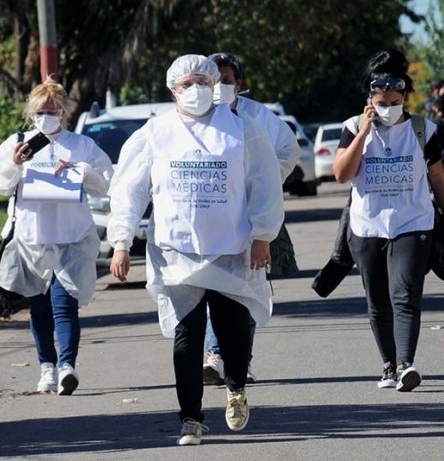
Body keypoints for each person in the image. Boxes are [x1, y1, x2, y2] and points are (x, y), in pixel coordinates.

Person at [107, 54, 283, 445]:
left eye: (202, 82)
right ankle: (191, 418)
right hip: (177, 254)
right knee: (187, 337)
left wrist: (263, 236)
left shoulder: (241, 129)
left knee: (233, 333)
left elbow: (265, 183)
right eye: (186, 84)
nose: (195, 90)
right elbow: (129, 188)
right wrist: (120, 241)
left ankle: (235, 388)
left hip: (231, 252)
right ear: (172, 90)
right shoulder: (156, 133)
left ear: (215, 86)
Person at [333, 49, 444, 392]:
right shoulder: (352, 128)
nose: (389, 108)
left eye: (395, 101)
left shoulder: (424, 130)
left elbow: (438, 180)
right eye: (382, 102)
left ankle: (406, 363)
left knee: (405, 294)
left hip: (413, 224)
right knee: (377, 301)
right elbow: (341, 174)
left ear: (405, 97)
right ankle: (388, 366)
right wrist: (364, 133)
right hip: (367, 228)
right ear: (370, 99)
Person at [0, 77, 113, 396]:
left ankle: (66, 365)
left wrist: (80, 169)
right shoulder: (19, 143)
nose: (48, 115)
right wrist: (15, 164)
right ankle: (47, 366)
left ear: (64, 111)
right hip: (32, 241)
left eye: (54, 109)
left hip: (71, 240)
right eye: (42, 110)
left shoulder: (81, 145)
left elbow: (105, 183)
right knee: (39, 308)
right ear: (32, 113)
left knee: (65, 305)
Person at [199, 52, 301, 386]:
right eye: (213, 80)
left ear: (239, 85)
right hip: (212, 218)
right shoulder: (193, 116)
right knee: (214, 285)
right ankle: (216, 355)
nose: (219, 87)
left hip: (251, 220)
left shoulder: (258, 117)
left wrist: (266, 183)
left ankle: (241, 359)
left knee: (246, 289)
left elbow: (289, 151)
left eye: (226, 80)